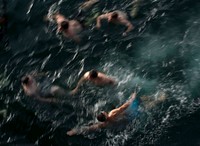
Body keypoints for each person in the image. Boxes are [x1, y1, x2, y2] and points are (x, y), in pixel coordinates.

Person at [67, 92, 137, 136]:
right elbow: (123, 107)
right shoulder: (112, 113)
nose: (102, 111)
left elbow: (89, 128)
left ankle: (72, 132)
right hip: (129, 116)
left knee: (92, 127)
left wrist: (74, 131)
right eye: (103, 113)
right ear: (105, 115)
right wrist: (132, 98)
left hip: (120, 125)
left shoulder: (104, 124)